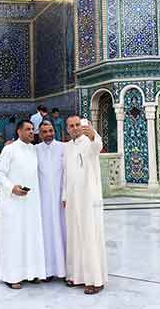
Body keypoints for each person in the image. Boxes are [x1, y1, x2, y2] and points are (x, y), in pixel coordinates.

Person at [0, 120, 46, 289]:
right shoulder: (9, 149)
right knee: (15, 238)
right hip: (14, 202)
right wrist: (12, 188)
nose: (32, 132)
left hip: (31, 203)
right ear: (19, 132)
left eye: (33, 129)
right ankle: (12, 276)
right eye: (28, 129)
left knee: (31, 237)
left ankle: (32, 273)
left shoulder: (34, 149)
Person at [63, 115, 107, 295]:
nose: (74, 128)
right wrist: (64, 196)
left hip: (89, 198)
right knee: (74, 236)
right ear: (67, 129)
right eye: (71, 126)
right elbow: (66, 174)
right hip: (72, 199)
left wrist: (93, 134)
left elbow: (98, 145)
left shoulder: (89, 142)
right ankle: (76, 276)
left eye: (76, 125)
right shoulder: (66, 147)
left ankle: (95, 280)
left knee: (89, 235)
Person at [36, 120, 66, 280]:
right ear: (39, 134)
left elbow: (68, 173)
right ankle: (47, 271)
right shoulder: (35, 150)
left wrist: (66, 194)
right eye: (45, 131)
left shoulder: (63, 148)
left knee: (62, 232)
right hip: (43, 200)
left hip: (61, 200)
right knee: (46, 233)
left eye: (51, 131)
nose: (48, 134)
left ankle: (64, 269)